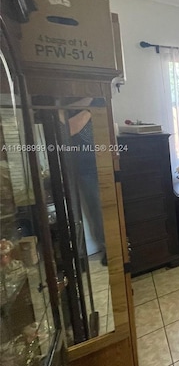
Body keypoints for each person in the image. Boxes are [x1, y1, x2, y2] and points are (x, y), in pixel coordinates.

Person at [67, 97, 107, 266]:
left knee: (111, 207)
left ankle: (118, 245)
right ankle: (106, 248)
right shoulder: (68, 104)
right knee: (96, 210)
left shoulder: (99, 99)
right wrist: (89, 107)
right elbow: (70, 128)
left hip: (103, 162)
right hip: (83, 167)